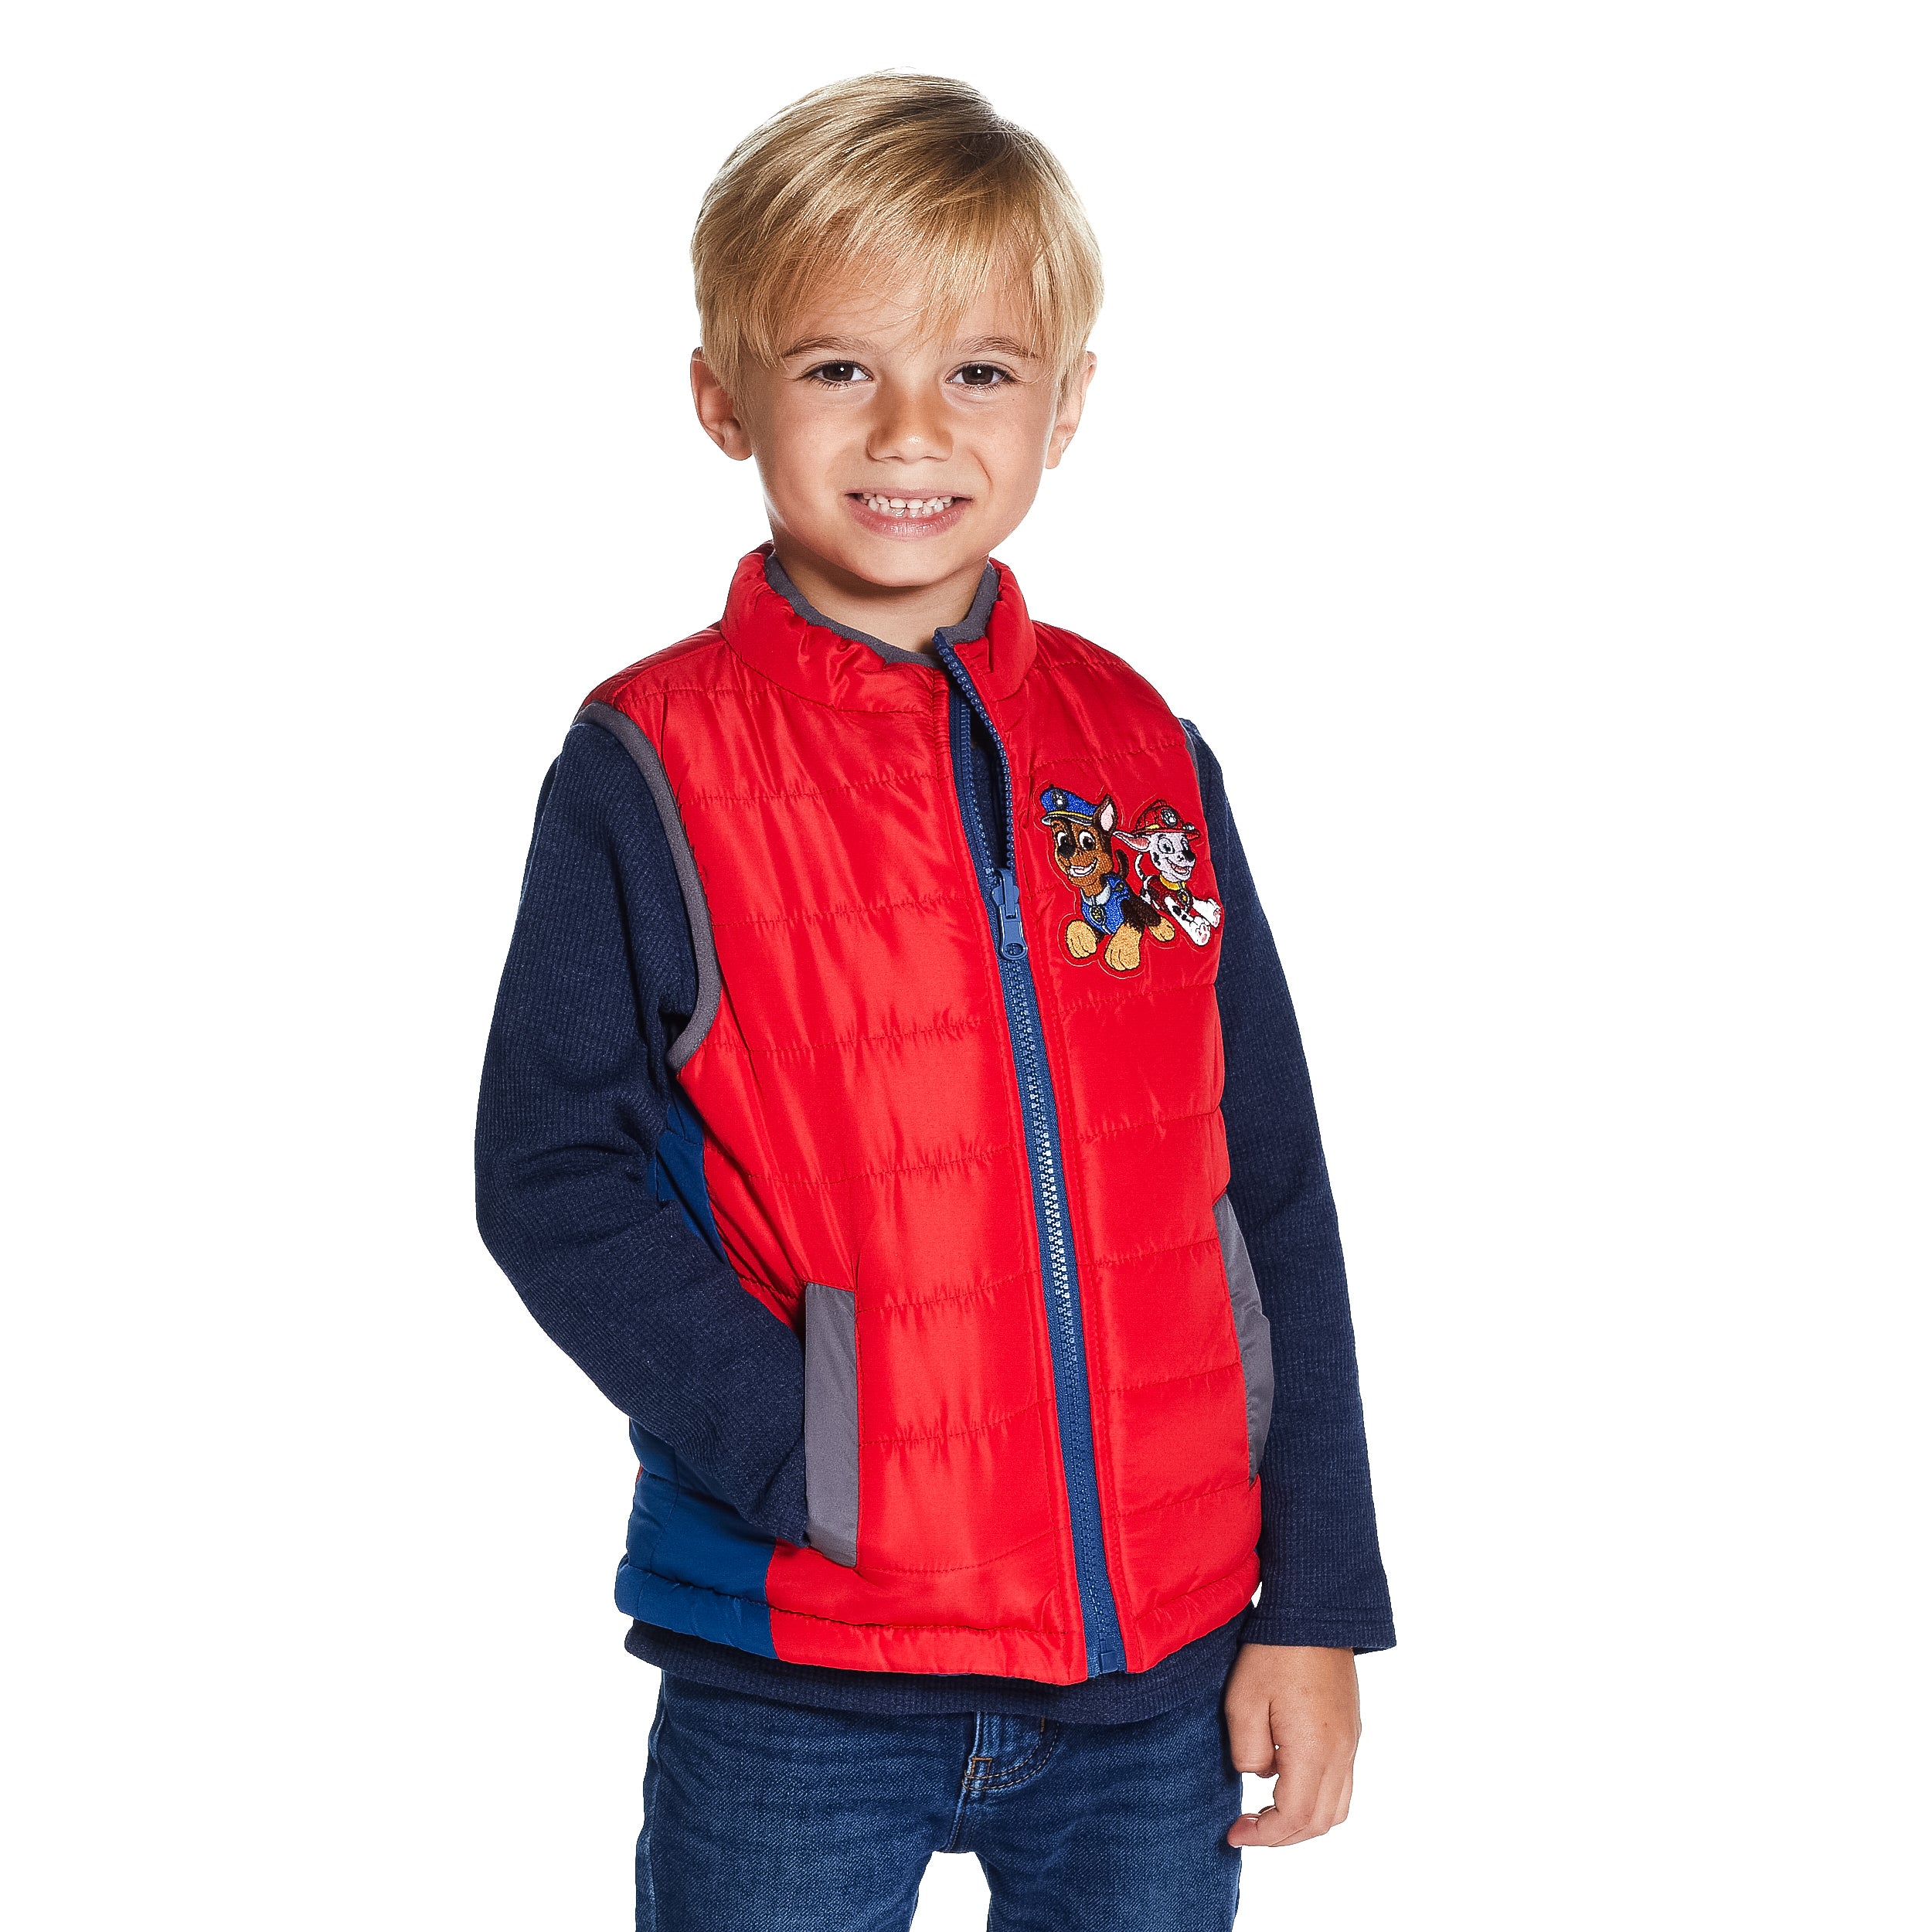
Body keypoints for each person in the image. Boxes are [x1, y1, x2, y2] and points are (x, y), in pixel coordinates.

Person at [475, 72, 1394, 1932]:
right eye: (838, 369)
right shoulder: (649, 762)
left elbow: (1266, 1183)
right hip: (800, 1668)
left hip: (1154, 1668)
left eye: (978, 370)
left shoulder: (1140, 753)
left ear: (1066, 402)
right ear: (722, 396)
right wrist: (803, 1448)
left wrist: (1311, 1595)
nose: (910, 428)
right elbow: (549, 1171)